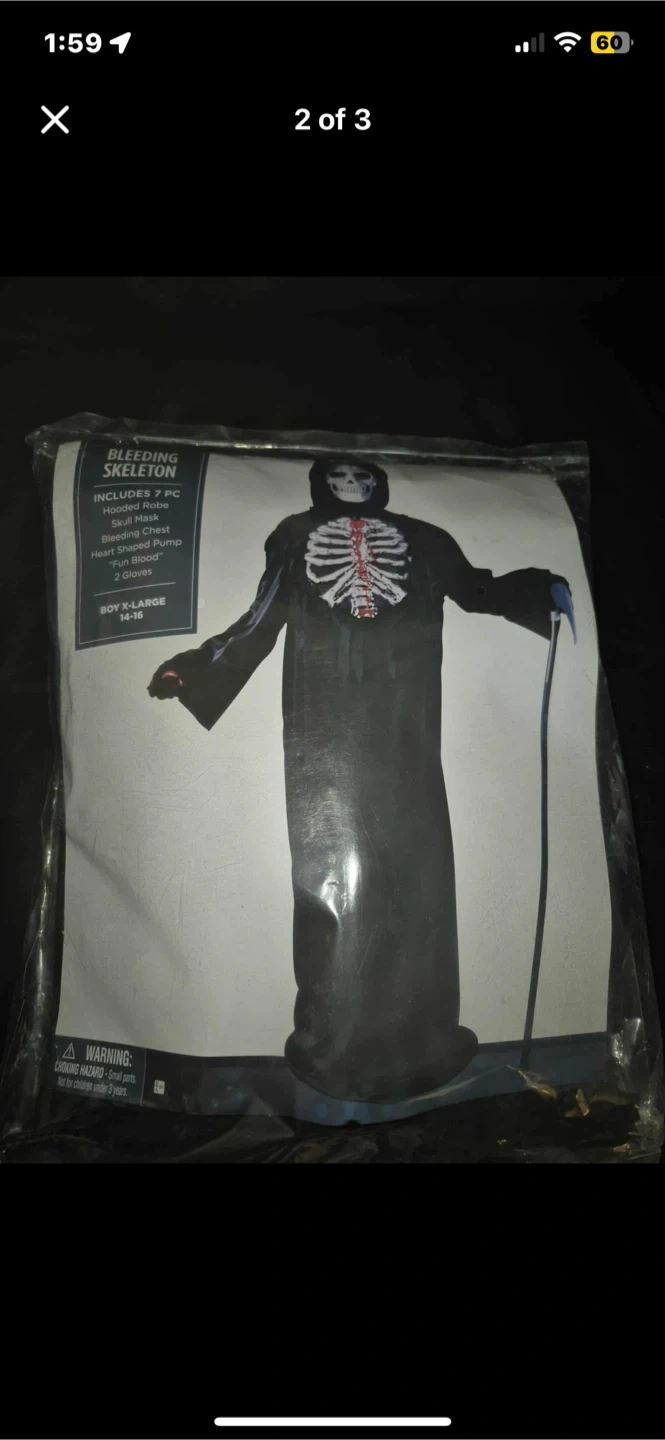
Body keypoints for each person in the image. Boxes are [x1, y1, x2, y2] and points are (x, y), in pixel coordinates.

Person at [149, 459, 572, 1102]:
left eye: (361, 479)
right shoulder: (295, 535)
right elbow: (261, 618)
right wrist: (195, 666)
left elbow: (478, 590)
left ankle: (425, 1041)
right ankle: (333, 1045)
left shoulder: (425, 539)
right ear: (322, 483)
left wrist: (542, 588)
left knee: (419, 877)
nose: (351, 487)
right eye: (340, 479)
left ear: (378, 484)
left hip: (407, 728)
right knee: (330, 888)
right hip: (324, 732)